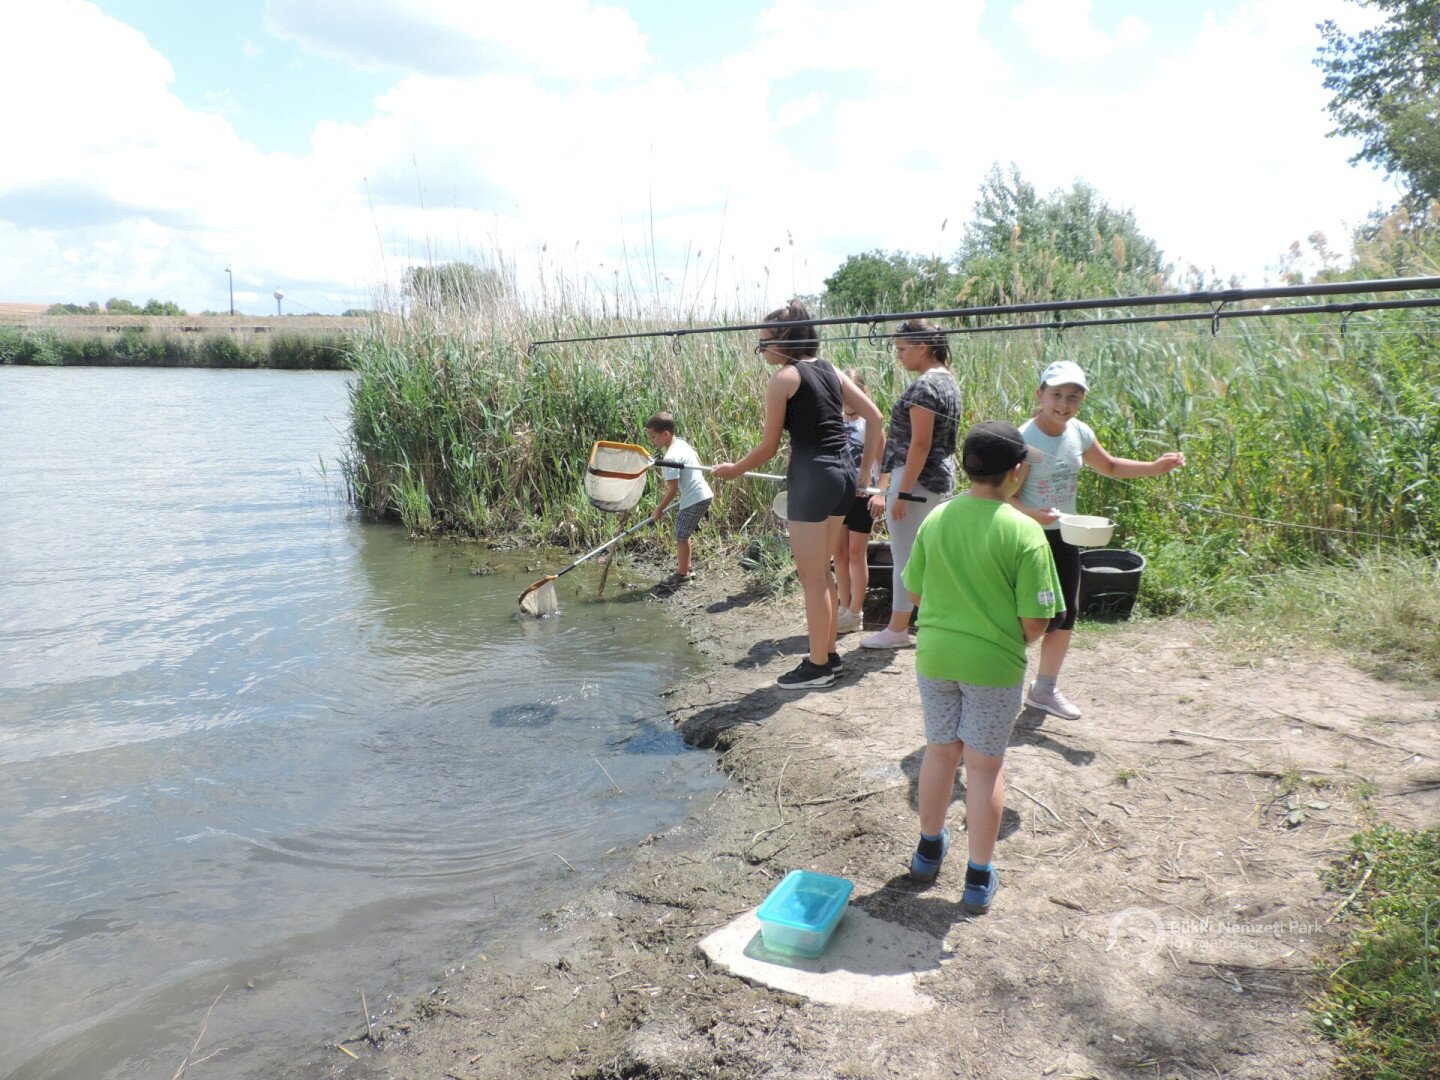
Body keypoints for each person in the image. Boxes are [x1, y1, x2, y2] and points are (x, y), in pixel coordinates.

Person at [901, 420, 1061, 913]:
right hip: (993, 665)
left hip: (935, 657)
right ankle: (976, 877)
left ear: (968, 468)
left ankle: (928, 852)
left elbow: (914, 590)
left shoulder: (937, 517)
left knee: (939, 752)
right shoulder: (1025, 532)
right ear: (1016, 473)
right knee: (985, 767)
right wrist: (1008, 638)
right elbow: (1036, 620)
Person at [712, 301, 883, 690]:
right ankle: (830, 657)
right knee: (822, 572)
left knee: (812, 577)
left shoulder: (784, 379)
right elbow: (875, 417)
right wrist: (862, 473)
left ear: (785, 339)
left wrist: (734, 470)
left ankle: (817, 666)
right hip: (842, 478)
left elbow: (768, 446)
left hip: (811, 481)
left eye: (764, 343)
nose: (761, 350)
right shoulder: (830, 369)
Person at [1011, 360, 1186, 721]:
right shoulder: (1024, 439)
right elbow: (1002, 496)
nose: (1064, 404)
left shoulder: (1079, 432)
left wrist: (1155, 467)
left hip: (1065, 535)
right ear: (1040, 394)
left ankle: (1044, 689)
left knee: (1065, 613)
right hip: (1026, 537)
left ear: (1082, 400)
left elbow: (1110, 466)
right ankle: (1001, 684)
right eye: (1057, 394)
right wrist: (1031, 514)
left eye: (1073, 397)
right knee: (1024, 614)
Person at [861, 319, 963, 650]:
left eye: (902, 349)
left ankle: (897, 629)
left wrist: (902, 492)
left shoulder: (924, 387)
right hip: (940, 478)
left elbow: (920, 444)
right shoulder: (949, 381)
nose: (899, 356)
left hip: (916, 481)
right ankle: (934, 623)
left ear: (923, 347)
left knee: (906, 558)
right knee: (931, 556)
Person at [644, 411, 713, 585]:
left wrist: (658, 510)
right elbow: (697, 459)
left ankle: (682, 575)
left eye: (653, 437)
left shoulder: (670, 457)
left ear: (665, 434)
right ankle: (686, 568)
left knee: (681, 535)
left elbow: (673, 489)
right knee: (683, 532)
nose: (651, 441)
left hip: (694, 498)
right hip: (703, 494)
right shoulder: (681, 444)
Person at [834, 368, 877, 634]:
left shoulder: (870, 424)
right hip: (837, 495)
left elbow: (884, 463)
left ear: (863, 392)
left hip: (862, 496)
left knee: (855, 553)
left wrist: (880, 492)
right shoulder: (834, 422)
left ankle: (856, 611)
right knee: (838, 553)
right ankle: (843, 605)